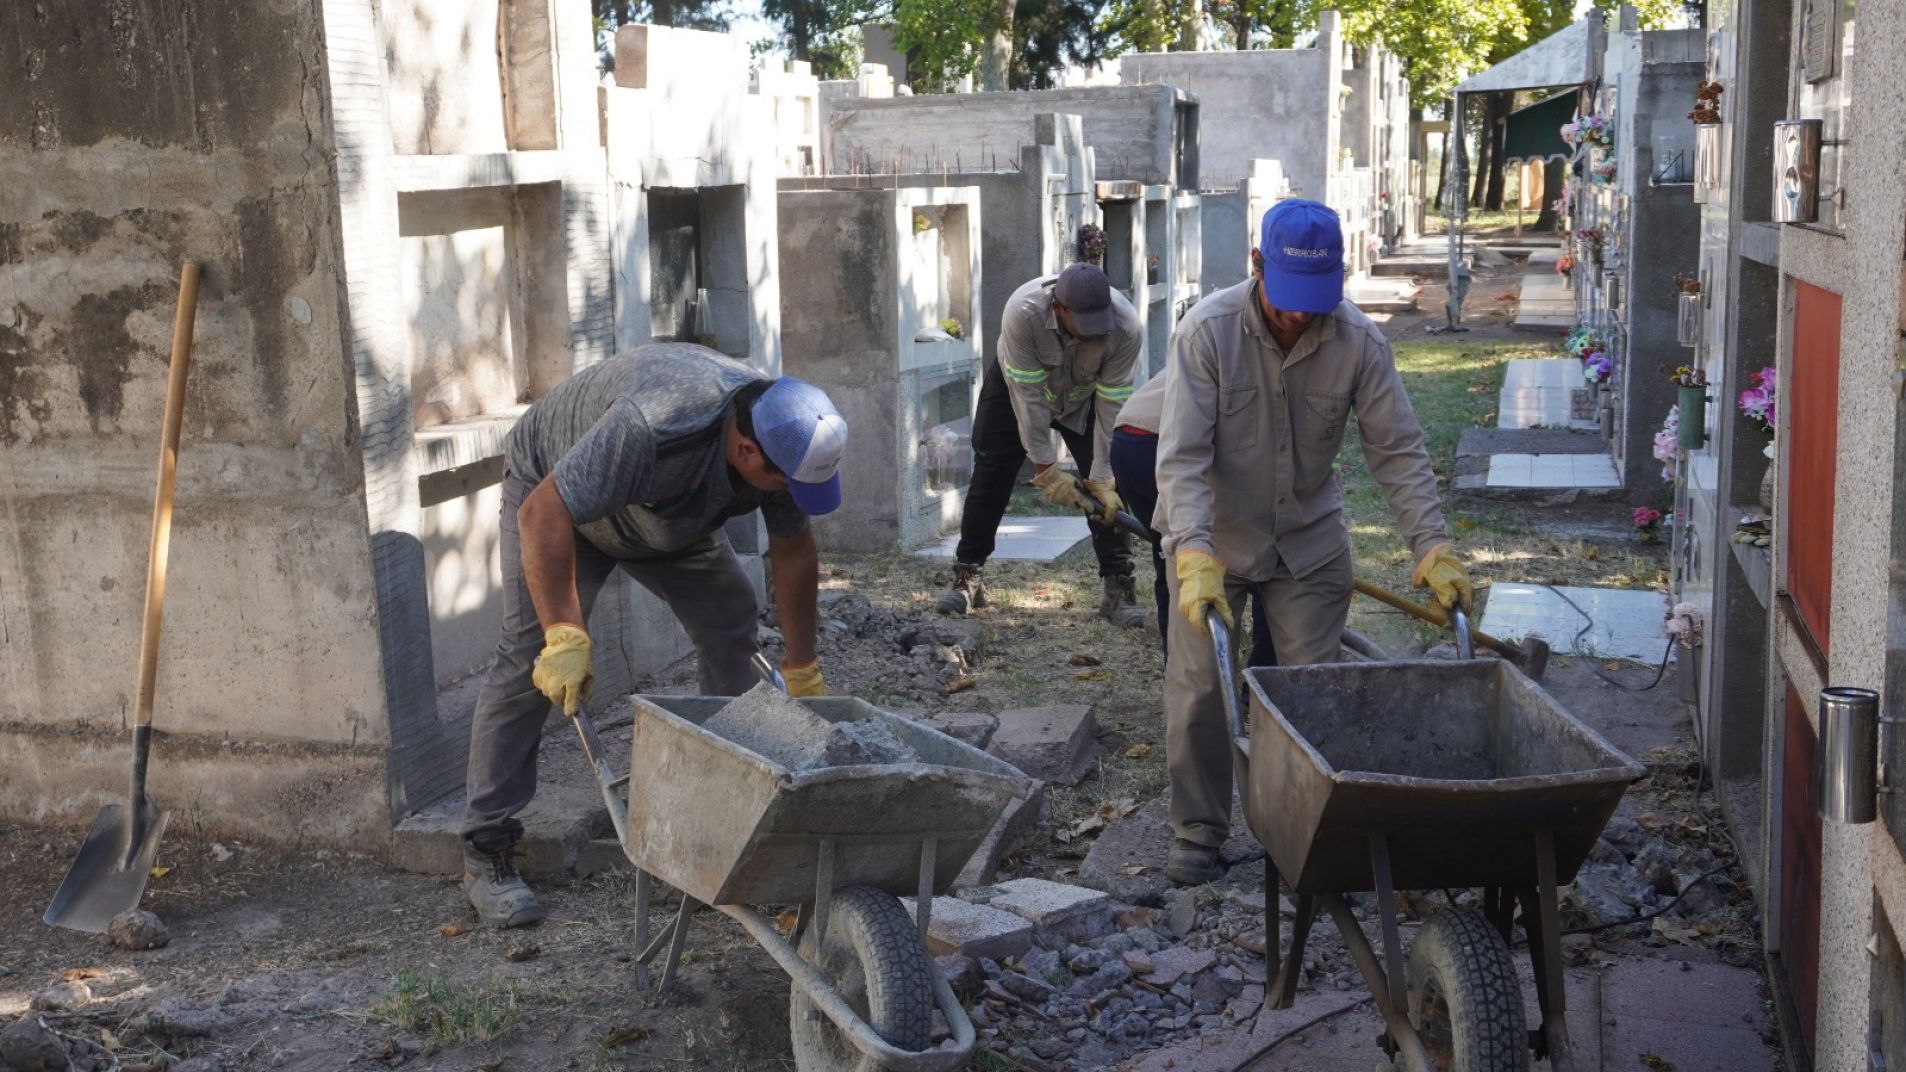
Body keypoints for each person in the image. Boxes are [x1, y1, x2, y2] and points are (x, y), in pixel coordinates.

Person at [460, 342, 848, 927]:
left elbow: (793, 552)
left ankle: (717, 820)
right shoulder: (656, 426)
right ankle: (486, 845)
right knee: (528, 658)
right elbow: (544, 513)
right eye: (783, 485)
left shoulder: (783, 434)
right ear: (746, 450)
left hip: (664, 517)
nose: (790, 497)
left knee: (730, 620)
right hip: (555, 499)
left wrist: (802, 666)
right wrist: (564, 634)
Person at [1154, 199, 1476, 885]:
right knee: (1199, 691)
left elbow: (1398, 451)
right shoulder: (1207, 333)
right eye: (1290, 299)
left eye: (1317, 301)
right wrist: (1192, 550)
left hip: (1307, 537)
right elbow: (1181, 457)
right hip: (1212, 537)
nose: (1302, 317)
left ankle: (1307, 833)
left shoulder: (1359, 341)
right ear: (1256, 266)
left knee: (1316, 689)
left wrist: (1430, 544)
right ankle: (1198, 833)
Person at [937, 263, 1147, 628]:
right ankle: (968, 575)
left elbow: (1114, 403)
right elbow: (1030, 402)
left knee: (1114, 485)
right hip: (1017, 388)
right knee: (992, 472)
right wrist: (1046, 469)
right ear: (1057, 307)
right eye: (1081, 324)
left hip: (1085, 399)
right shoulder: (1023, 313)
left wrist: (1101, 475)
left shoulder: (1126, 326)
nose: (1089, 335)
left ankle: (1118, 587)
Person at [1108, 374, 1276, 665]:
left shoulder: (1214, 340)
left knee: (1171, 554)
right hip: (1171, 444)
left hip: (1128, 439)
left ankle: (1177, 665)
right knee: (1263, 556)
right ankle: (1262, 677)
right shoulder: (1261, 355)